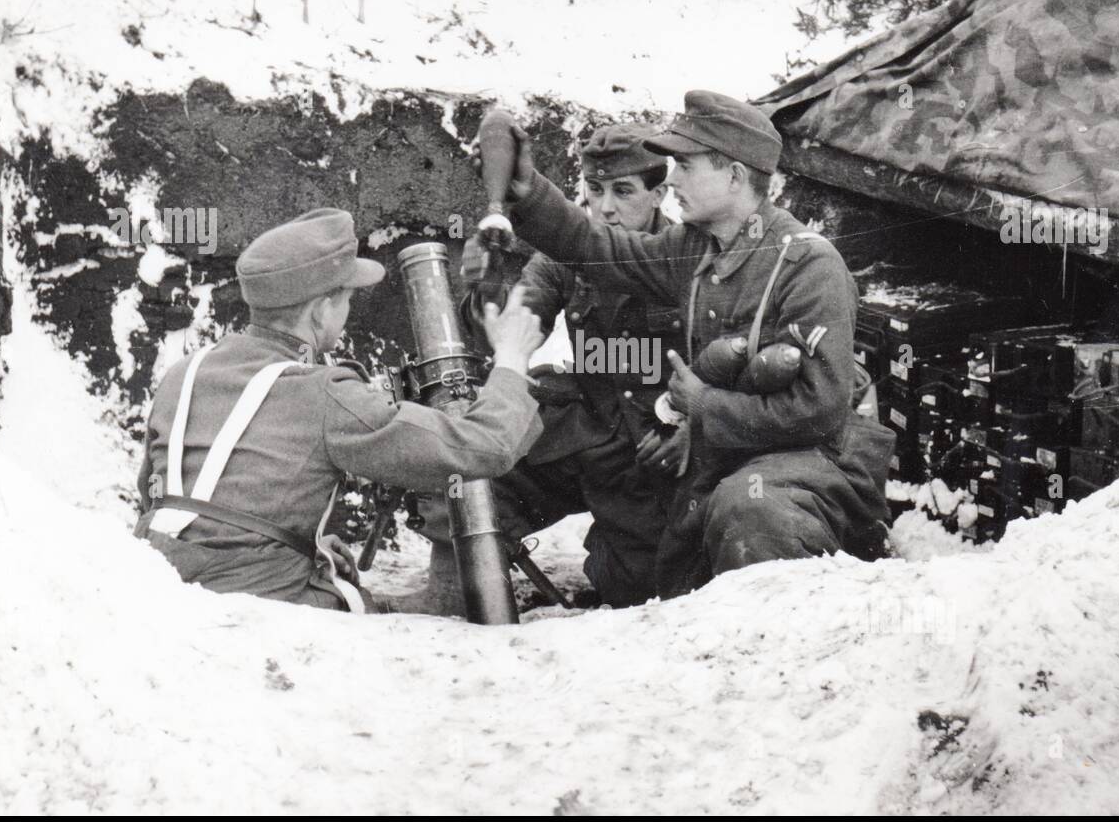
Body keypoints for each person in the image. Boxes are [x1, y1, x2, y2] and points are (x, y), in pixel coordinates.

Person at [482, 91, 895, 593]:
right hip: (724, 455)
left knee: (750, 509)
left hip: (814, 463)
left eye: (685, 166)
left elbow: (820, 410)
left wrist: (704, 406)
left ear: (735, 175)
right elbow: (599, 248)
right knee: (649, 578)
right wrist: (527, 194)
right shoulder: (695, 247)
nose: (672, 178)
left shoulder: (809, 265)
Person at [134, 207, 544, 612]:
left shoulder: (184, 373)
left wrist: (292, 540)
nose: (347, 310)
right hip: (257, 607)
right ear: (319, 310)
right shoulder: (322, 392)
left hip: (160, 581)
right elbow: (482, 448)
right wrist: (510, 360)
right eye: (346, 298)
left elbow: (165, 498)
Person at [414, 124, 686, 611]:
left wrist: (685, 422)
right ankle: (458, 593)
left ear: (659, 194)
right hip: (587, 431)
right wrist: (489, 287)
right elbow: (515, 329)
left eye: (623, 192)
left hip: (651, 451)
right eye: (594, 190)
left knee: (638, 590)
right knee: (473, 474)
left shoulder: (684, 254)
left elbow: (723, 363)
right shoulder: (567, 254)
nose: (605, 207)